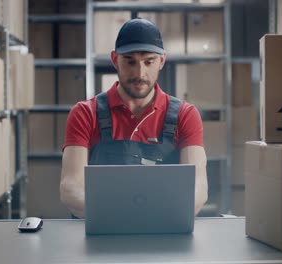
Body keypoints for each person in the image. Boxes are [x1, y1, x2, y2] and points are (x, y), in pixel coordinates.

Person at [60, 18, 208, 218]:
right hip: (102, 233)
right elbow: (71, 187)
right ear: (115, 60)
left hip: (163, 231)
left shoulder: (185, 115)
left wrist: (151, 218)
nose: (140, 73)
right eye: (130, 61)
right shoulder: (85, 114)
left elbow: (197, 188)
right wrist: (123, 217)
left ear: (162, 60)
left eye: (149, 62)